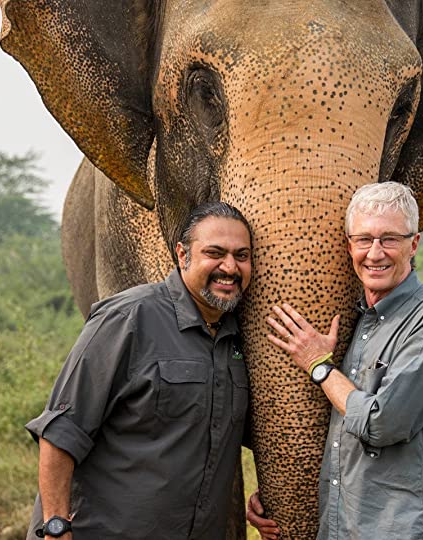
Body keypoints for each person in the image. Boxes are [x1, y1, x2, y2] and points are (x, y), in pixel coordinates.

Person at [248, 182, 423, 539]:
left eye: (389, 239)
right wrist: (281, 497)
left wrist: (319, 366)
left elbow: (381, 424)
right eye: (364, 240)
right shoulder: (357, 324)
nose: (375, 253)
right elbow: (344, 440)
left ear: (413, 244)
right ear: (348, 246)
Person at [25, 202, 253, 540]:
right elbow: (61, 432)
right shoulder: (129, 317)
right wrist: (56, 527)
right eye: (215, 253)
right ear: (182, 255)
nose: (229, 267)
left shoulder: (237, 338)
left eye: (242, 255)